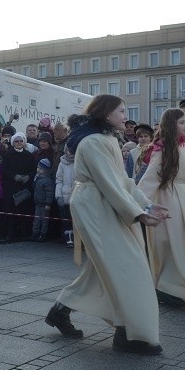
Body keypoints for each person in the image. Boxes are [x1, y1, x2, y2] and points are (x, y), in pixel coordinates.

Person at [45, 95, 168, 355]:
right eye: (121, 111)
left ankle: (61, 311)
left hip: (104, 203)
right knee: (126, 266)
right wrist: (137, 213)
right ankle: (129, 333)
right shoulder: (92, 142)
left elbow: (121, 181)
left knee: (105, 266)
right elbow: (109, 182)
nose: (125, 116)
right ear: (106, 114)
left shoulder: (107, 139)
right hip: (94, 206)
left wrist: (145, 205)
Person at [138, 108, 185, 307]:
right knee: (167, 244)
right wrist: (140, 206)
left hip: (184, 202)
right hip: (165, 200)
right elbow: (150, 180)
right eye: (181, 122)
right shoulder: (161, 150)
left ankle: (180, 286)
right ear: (171, 125)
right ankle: (165, 287)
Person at [55, 147, 76, 247]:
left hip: (77, 195)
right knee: (67, 219)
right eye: (68, 150)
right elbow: (59, 180)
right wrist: (58, 196)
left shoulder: (80, 162)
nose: (70, 152)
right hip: (65, 194)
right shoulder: (62, 163)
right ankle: (69, 239)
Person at [31, 158, 55, 242]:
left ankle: (43, 234)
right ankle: (35, 233)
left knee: (44, 220)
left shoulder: (47, 181)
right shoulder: (37, 178)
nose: (38, 170)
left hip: (45, 204)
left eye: (41, 168)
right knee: (36, 219)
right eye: (38, 168)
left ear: (45, 170)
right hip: (38, 203)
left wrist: (48, 204)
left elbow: (50, 193)